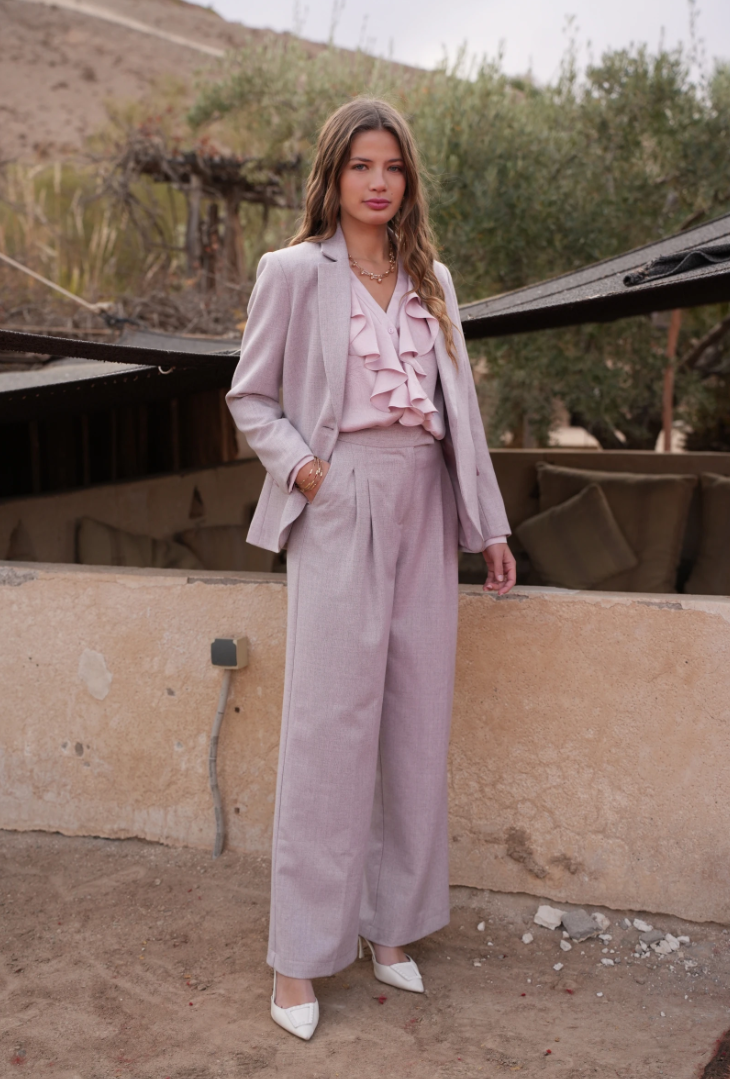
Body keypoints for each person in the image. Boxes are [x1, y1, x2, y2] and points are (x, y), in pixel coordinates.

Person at [226, 97, 516, 1041]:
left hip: (425, 501)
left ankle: (392, 928)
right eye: (361, 165)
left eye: (392, 166)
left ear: (408, 178)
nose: (378, 181)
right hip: (339, 498)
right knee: (328, 729)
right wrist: (309, 470)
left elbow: (463, 414)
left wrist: (488, 524)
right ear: (334, 175)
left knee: (415, 721)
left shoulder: (434, 279)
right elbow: (251, 397)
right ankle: (298, 956)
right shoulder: (291, 273)